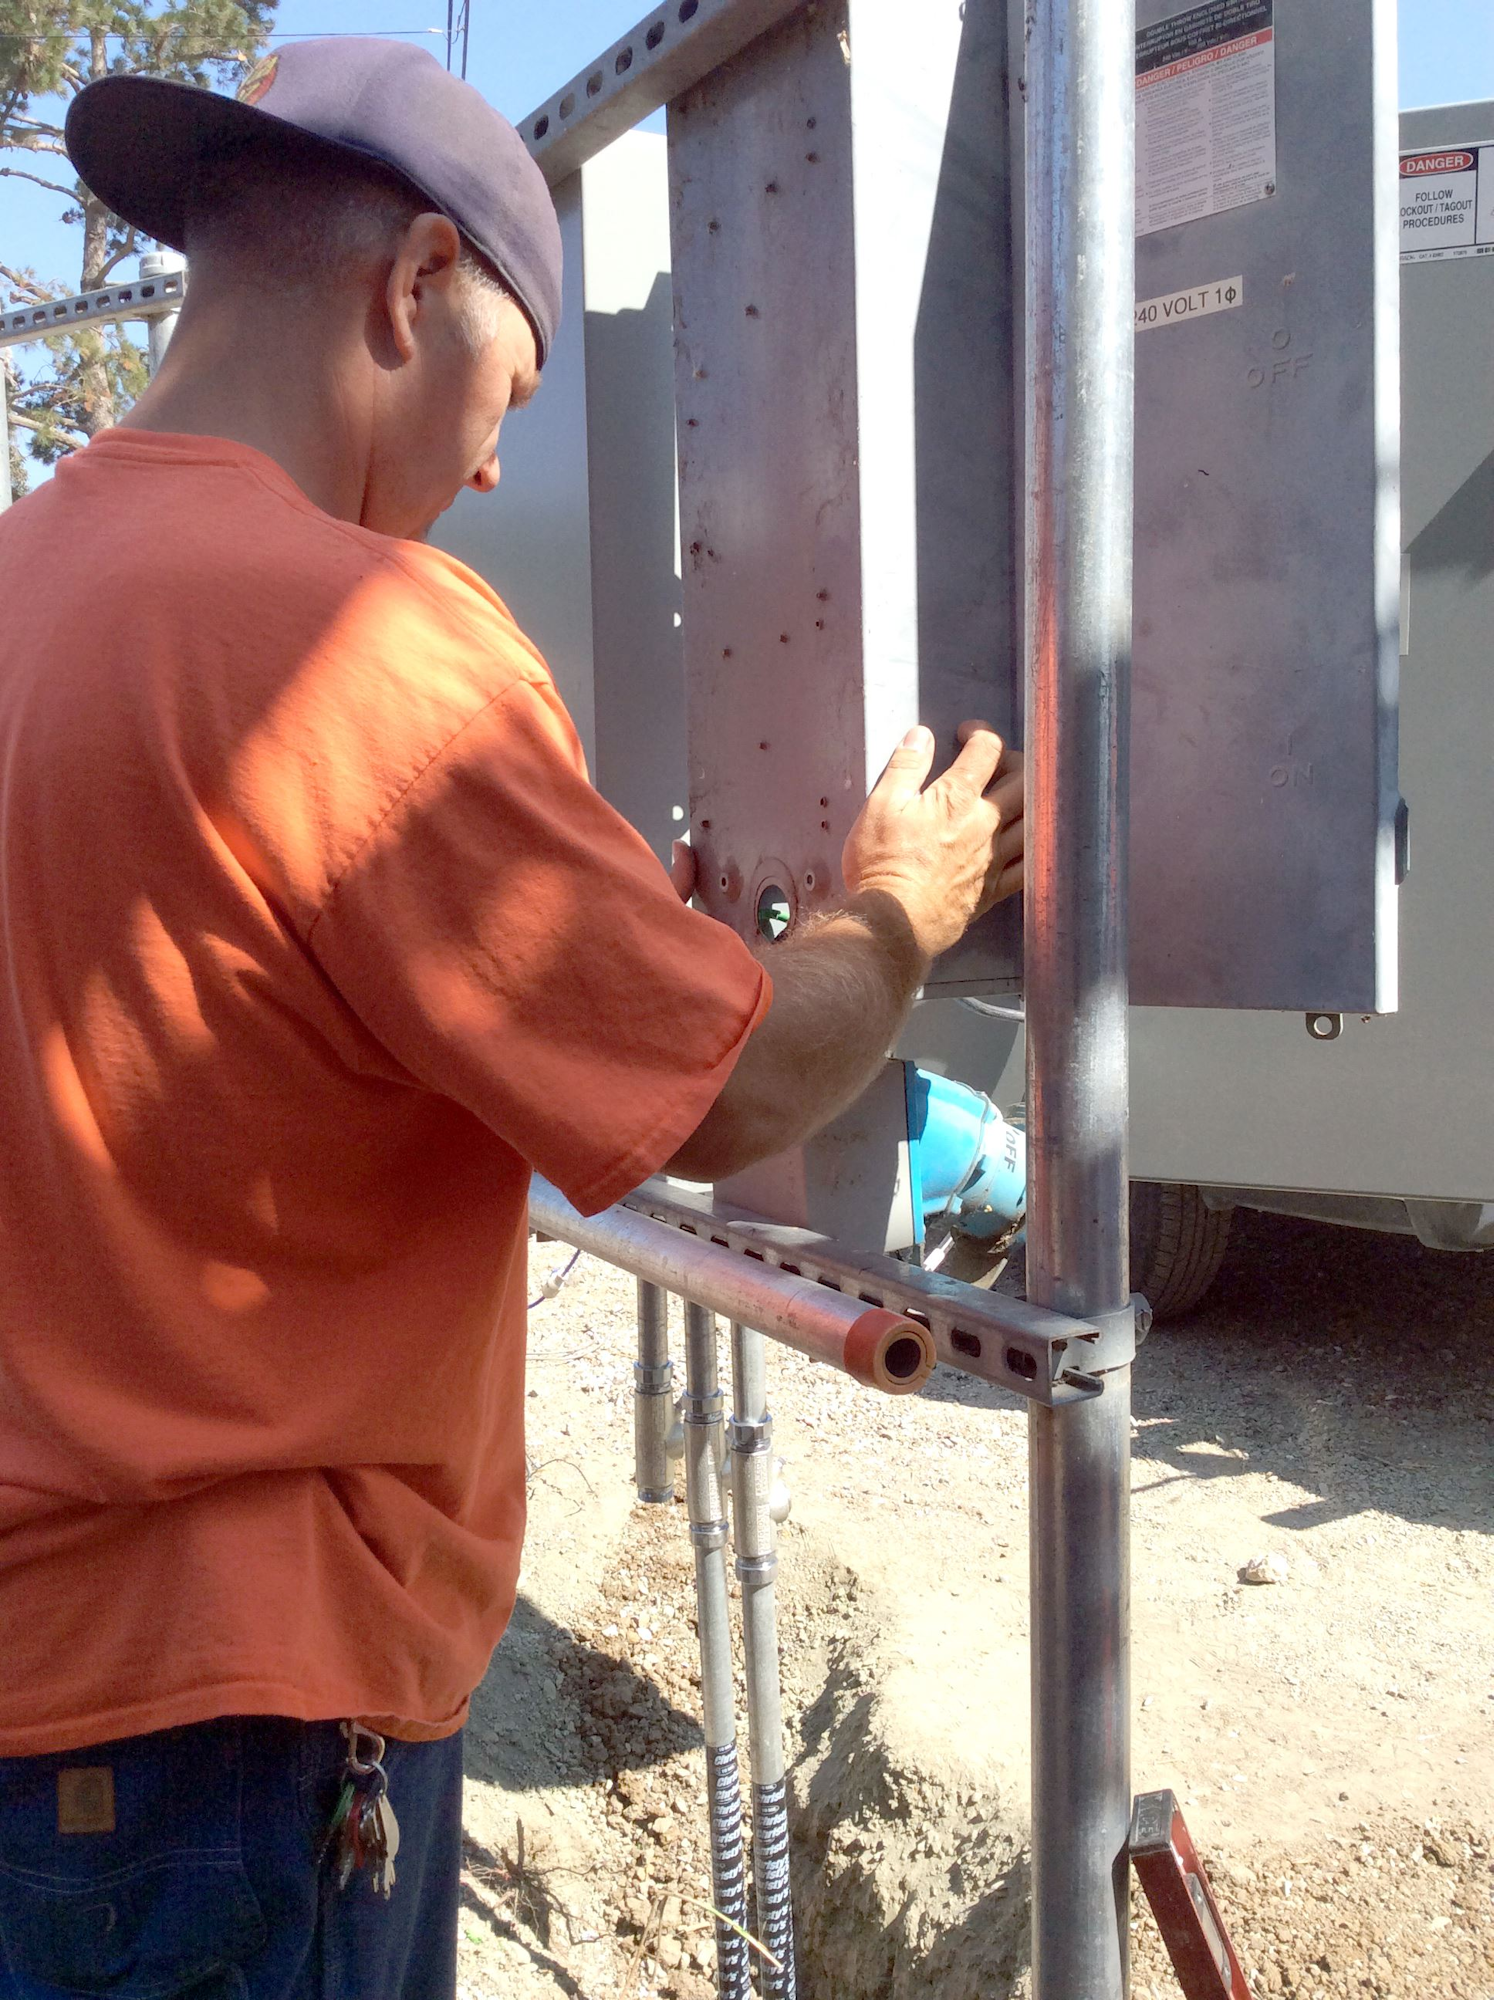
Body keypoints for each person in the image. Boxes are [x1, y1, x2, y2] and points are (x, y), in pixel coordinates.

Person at [0, 37, 1024, 1999]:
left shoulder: (32, 582)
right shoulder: (356, 640)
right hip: (242, 1733)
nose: (490, 467)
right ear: (410, 287)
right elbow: (737, 1088)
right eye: (510, 394)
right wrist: (903, 911)